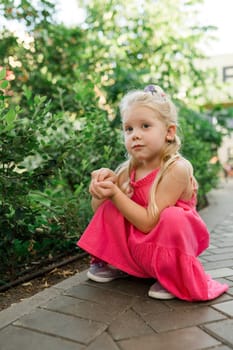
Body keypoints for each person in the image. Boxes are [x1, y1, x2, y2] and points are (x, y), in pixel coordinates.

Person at [77, 84, 228, 301]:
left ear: (169, 132)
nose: (135, 135)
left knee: (172, 217)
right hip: (141, 251)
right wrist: (100, 191)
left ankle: (171, 275)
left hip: (168, 247)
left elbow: (149, 222)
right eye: (129, 129)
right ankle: (119, 264)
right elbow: (99, 210)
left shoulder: (176, 168)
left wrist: (116, 195)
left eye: (145, 126)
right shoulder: (126, 169)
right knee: (112, 205)